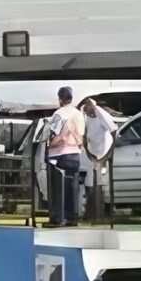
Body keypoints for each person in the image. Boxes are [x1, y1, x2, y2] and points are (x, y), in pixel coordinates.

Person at [45, 86, 85, 226]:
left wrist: (50, 143)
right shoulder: (79, 114)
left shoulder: (59, 114)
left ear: (60, 99)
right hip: (75, 154)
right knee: (72, 187)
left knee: (58, 188)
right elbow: (81, 136)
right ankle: (72, 217)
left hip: (59, 155)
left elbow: (54, 137)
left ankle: (58, 217)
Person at [81, 97, 118, 220]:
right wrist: (87, 152)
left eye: (88, 110)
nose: (87, 112)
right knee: (90, 184)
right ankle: (91, 213)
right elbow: (85, 136)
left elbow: (114, 132)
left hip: (102, 156)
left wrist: (106, 156)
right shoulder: (87, 117)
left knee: (99, 185)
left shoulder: (101, 115)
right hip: (92, 156)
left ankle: (99, 214)